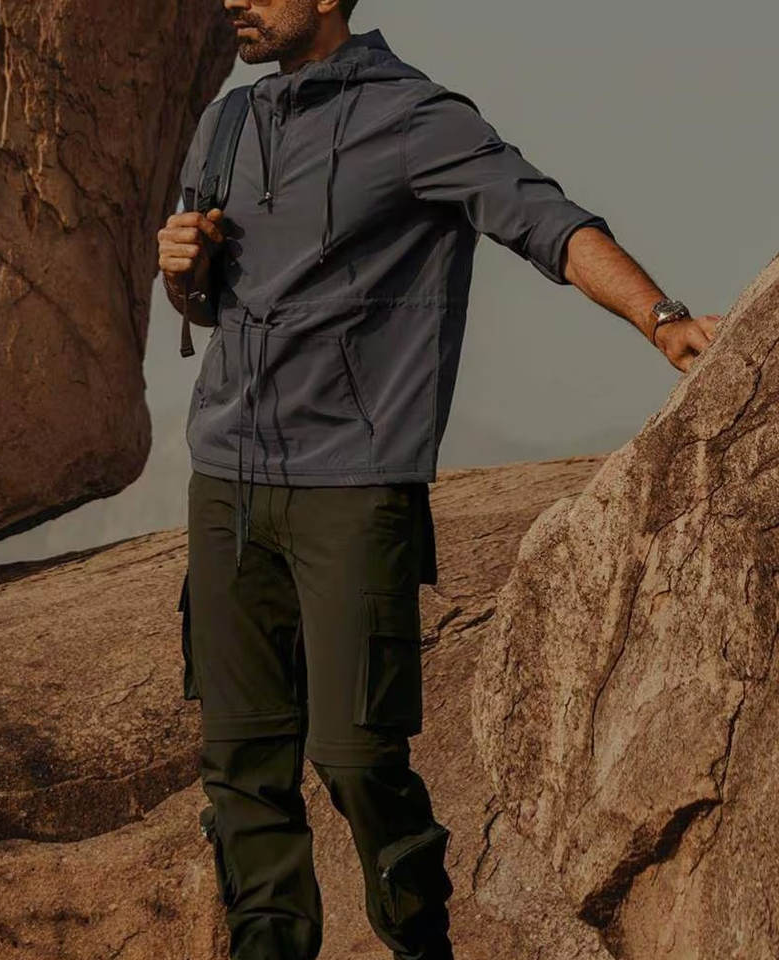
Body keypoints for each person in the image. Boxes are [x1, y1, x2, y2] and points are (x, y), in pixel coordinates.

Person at [157, 4, 723, 959]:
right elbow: (207, 302)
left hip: (353, 487)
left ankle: (422, 944)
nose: (231, 0)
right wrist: (184, 270)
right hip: (226, 488)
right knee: (240, 767)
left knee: (356, 757)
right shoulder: (227, 124)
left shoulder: (416, 117)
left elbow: (546, 220)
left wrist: (660, 317)